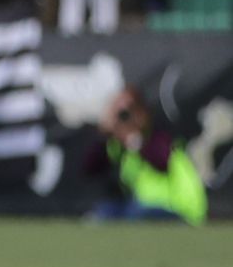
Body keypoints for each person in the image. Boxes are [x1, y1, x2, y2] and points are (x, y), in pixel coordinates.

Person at [86, 88, 206, 225]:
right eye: (120, 112)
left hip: (178, 209)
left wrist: (135, 139)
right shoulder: (119, 144)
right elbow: (90, 168)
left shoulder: (159, 134)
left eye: (129, 111)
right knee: (102, 213)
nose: (125, 117)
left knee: (135, 213)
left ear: (142, 112)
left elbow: (161, 161)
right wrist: (105, 134)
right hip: (140, 207)